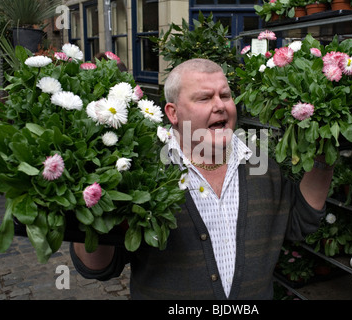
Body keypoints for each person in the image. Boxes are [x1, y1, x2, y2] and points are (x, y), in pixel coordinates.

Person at [70, 58, 334, 299]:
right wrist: (93, 196)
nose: (220, 105)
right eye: (204, 98)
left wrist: (325, 153)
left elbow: (300, 223)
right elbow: (99, 267)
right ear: (173, 113)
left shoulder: (260, 163)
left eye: (226, 95)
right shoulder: (143, 169)